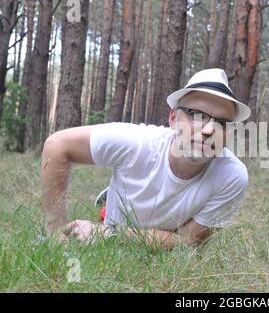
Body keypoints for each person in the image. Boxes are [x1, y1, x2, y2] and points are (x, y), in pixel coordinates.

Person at [41, 68, 251, 249]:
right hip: (122, 217)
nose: (208, 130)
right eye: (197, 115)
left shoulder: (232, 175)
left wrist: (111, 235)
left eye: (221, 123)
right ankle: (110, 200)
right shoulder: (137, 142)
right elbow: (57, 145)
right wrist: (54, 234)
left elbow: (187, 242)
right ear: (173, 118)